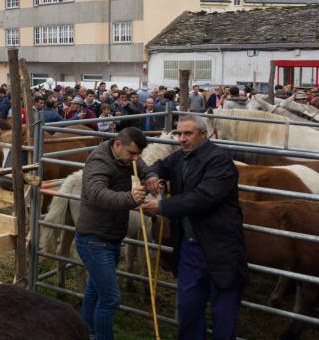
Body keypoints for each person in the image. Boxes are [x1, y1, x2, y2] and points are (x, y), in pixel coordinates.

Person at [142, 115, 247, 340]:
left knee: (223, 313)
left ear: (203, 134)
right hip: (190, 247)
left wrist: (162, 206)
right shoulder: (180, 158)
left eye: (187, 134)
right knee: (188, 308)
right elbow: (160, 165)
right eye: (179, 134)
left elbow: (203, 197)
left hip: (220, 249)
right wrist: (153, 175)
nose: (181, 139)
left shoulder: (220, 161)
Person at [75, 127, 149, 340]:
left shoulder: (127, 158)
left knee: (95, 289)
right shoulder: (99, 161)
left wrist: (152, 176)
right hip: (94, 239)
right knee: (110, 299)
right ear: (118, 145)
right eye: (132, 154)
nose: (135, 159)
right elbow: (97, 194)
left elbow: (142, 167)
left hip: (110, 237)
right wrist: (130, 198)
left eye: (138, 155)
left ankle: (87, 333)